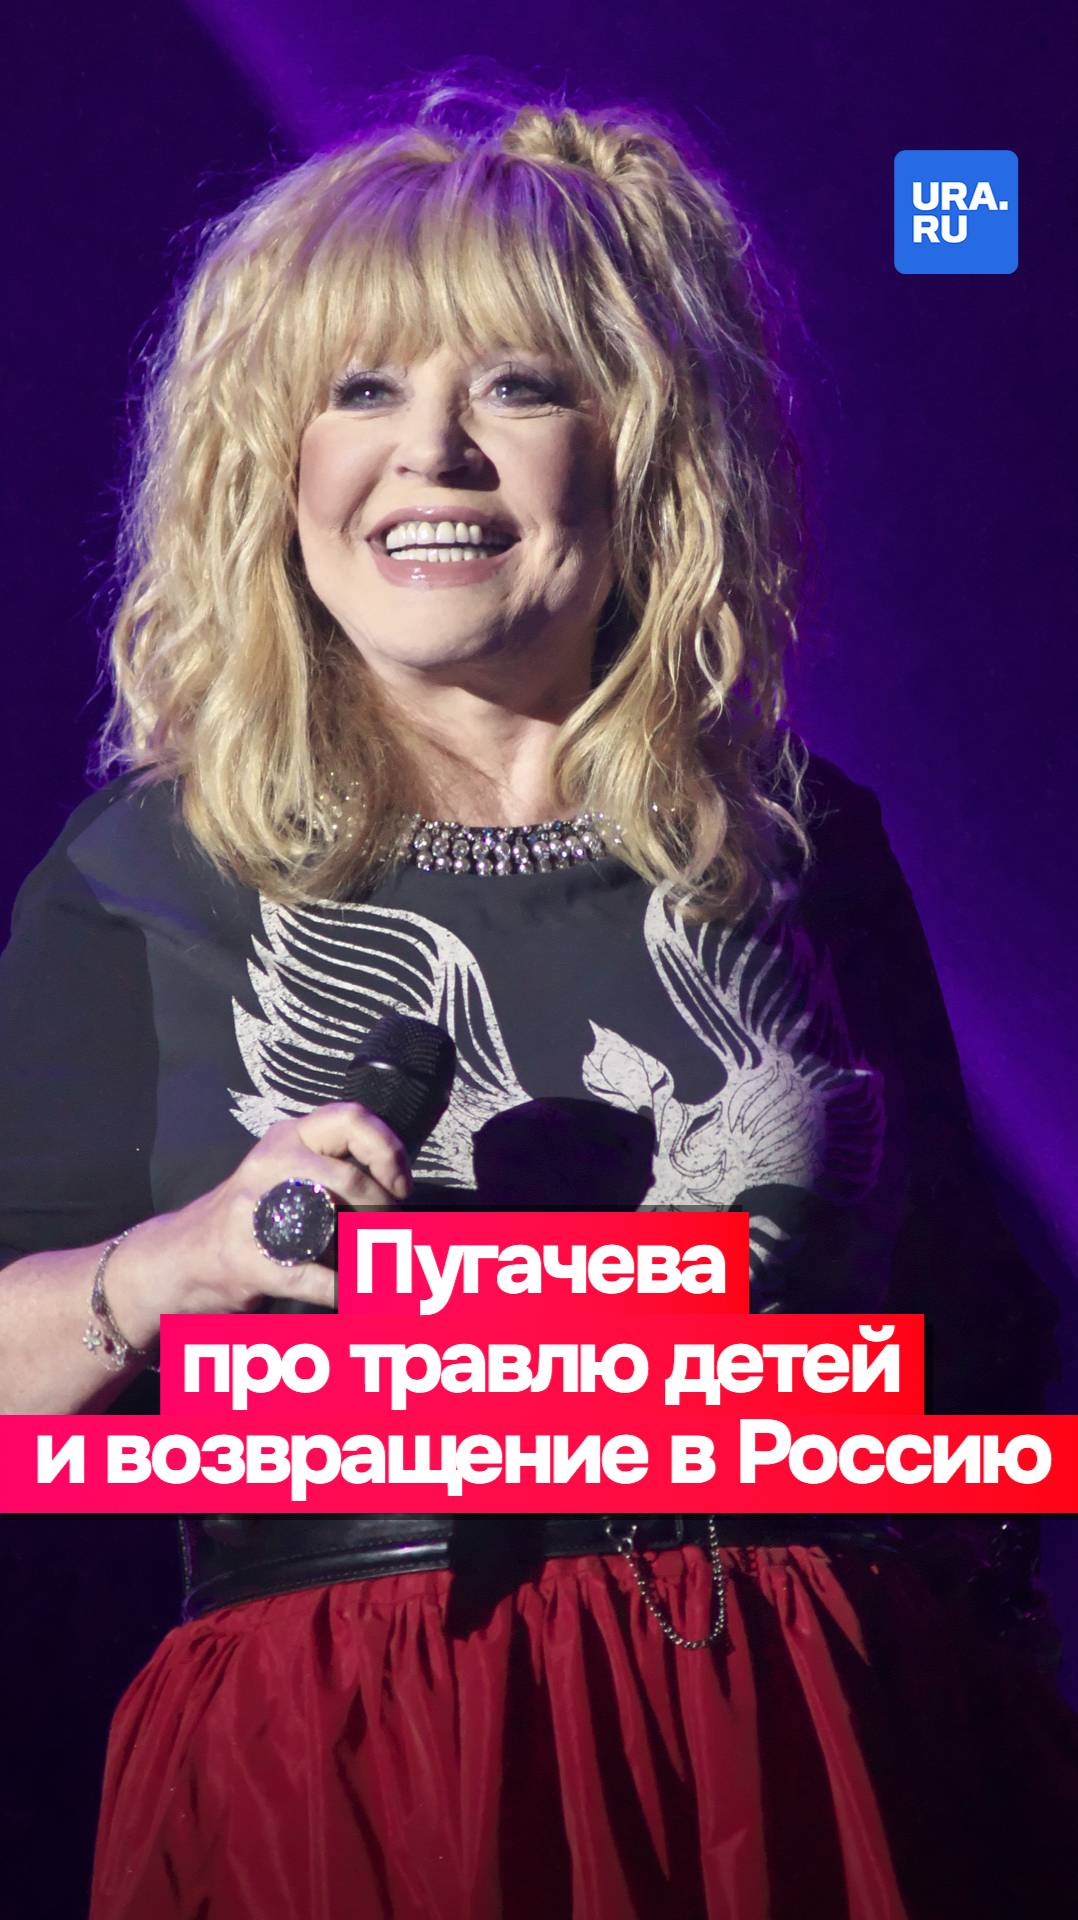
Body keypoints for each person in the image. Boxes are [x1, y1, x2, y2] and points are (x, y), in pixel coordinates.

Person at [0, 74, 1075, 1920]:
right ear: (273, 463)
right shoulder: (147, 868)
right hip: (355, 1753)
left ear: (644, 451)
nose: (431, 453)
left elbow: (973, 1357)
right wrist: (169, 1267)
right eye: (360, 389)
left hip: (807, 1731)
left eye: (516, 385)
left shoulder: (803, 841)